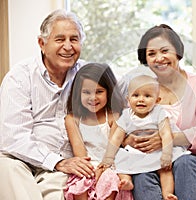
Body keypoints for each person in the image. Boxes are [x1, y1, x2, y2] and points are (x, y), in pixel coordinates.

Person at [0, 9, 95, 200]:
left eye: (74, 39)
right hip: (21, 161)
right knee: (5, 168)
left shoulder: (89, 74)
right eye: (60, 39)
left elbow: (126, 102)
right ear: (42, 44)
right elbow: (13, 137)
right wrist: (56, 161)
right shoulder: (20, 76)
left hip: (62, 167)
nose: (68, 46)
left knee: (61, 191)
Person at [120, 24, 196, 200]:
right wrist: (130, 140)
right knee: (142, 172)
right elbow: (125, 124)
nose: (159, 58)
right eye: (151, 54)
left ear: (178, 52)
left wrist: (166, 139)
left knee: (184, 163)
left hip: (190, 158)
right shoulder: (142, 88)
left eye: (165, 51)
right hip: (152, 160)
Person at [101, 74, 179, 200]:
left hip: (156, 152)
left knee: (165, 170)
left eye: (147, 96)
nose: (141, 99)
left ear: (157, 100)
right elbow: (116, 138)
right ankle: (127, 181)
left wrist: (167, 154)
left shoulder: (159, 112)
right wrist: (108, 158)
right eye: (136, 95)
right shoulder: (126, 115)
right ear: (128, 99)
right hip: (135, 153)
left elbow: (166, 134)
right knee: (120, 160)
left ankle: (167, 194)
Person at [63, 63, 133, 200]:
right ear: (78, 93)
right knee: (81, 181)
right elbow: (80, 154)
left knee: (109, 179)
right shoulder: (72, 119)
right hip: (87, 165)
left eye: (99, 92)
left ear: (109, 91)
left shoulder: (114, 117)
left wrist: (103, 168)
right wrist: (92, 171)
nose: (93, 97)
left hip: (110, 164)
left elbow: (113, 148)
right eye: (86, 92)